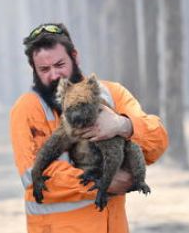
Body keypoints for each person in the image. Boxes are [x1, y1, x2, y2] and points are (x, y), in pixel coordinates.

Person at [10, 23, 168, 233]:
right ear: (34, 70)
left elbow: (157, 142)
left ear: (75, 56)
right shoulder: (27, 109)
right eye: (44, 69)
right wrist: (102, 183)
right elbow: (33, 175)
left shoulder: (112, 93)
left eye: (60, 64)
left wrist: (123, 125)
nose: (54, 75)